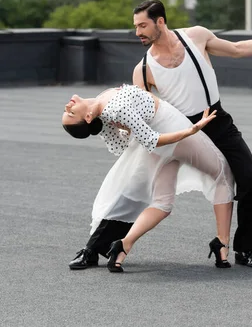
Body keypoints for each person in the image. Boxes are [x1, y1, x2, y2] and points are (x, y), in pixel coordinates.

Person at [69, 0, 252, 270]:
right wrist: (105, 124)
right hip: (177, 131)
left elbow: (238, 49)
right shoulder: (142, 70)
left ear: (160, 21)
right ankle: (92, 250)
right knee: (135, 189)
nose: (138, 33)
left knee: (251, 181)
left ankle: (246, 250)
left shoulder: (196, 36)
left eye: (142, 25)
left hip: (217, 122)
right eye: (135, 27)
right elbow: (139, 117)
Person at [62, 84, 234, 272]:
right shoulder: (115, 110)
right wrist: (190, 131)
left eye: (67, 112)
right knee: (223, 174)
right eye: (71, 114)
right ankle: (222, 244)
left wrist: (126, 128)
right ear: (87, 118)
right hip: (176, 133)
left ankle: (123, 245)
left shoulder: (103, 102)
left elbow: (121, 145)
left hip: (161, 148)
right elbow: (151, 139)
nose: (67, 107)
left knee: (162, 204)